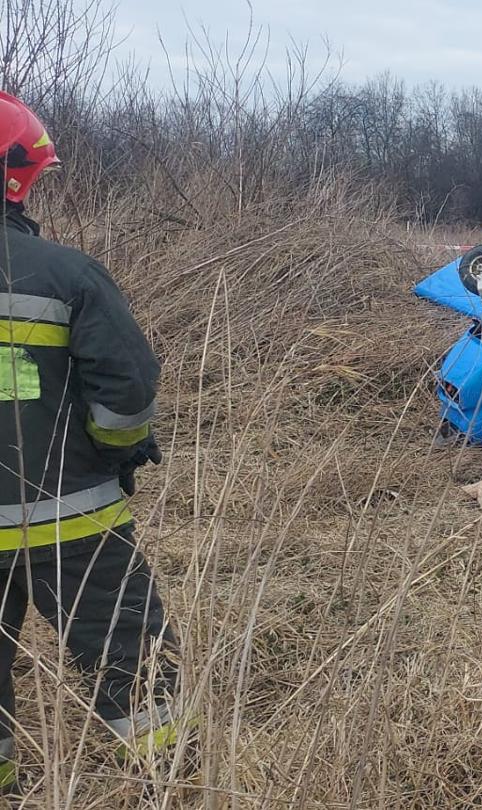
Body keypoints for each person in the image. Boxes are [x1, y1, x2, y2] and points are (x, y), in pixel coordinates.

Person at [0, 91, 187, 779]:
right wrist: (110, 454)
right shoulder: (66, 275)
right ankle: (172, 780)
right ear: (17, 176)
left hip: (69, 513)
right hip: (72, 520)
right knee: (130, 658)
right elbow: (126, 392)